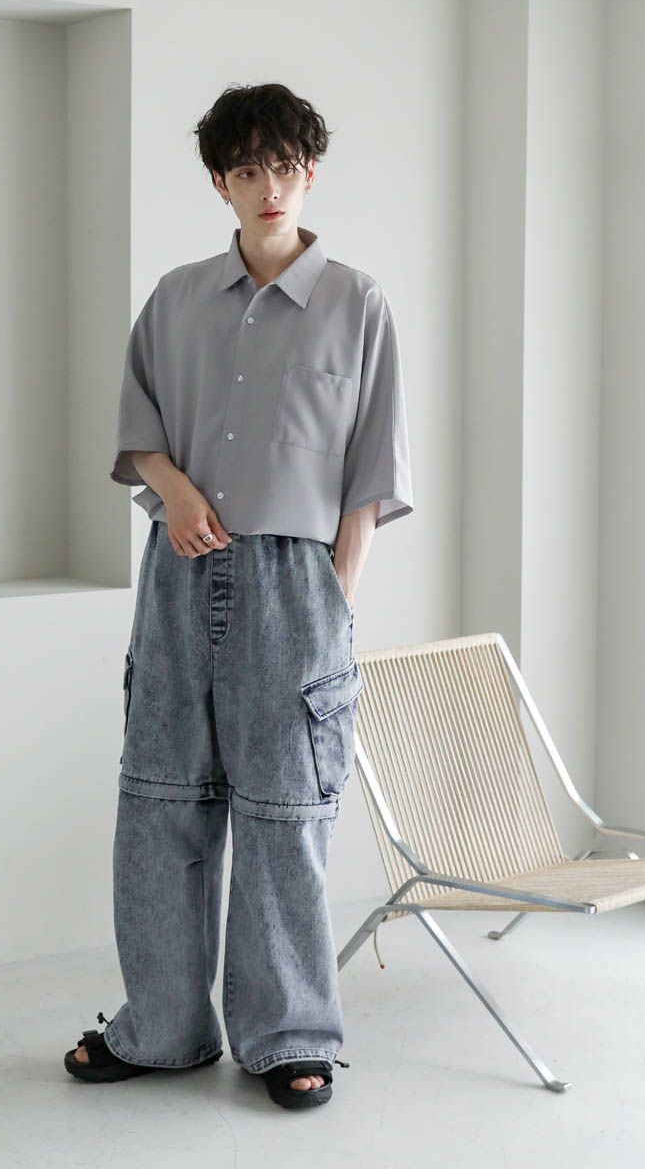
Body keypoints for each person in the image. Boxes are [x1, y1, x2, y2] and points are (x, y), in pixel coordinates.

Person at [64, 82, 413, 1110]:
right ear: (221, 181)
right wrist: (173, 494)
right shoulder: (175, 298)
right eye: (249, 169)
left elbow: (372, 476)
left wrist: (333, 601)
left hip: (295, 584)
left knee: (284, 813)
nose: (271, 187)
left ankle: (289, 1034)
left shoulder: (357, 304)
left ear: (311, 173)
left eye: (286, 167)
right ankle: (162, 1028)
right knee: (160, 802)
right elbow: (138, 432)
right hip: (179, 571)